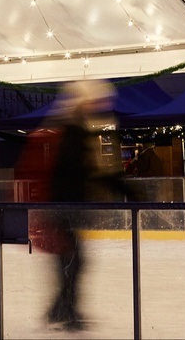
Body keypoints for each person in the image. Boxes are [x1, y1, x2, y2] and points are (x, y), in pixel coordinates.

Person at [42, 80, 133, 331]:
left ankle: (59, 310)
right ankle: (65, 313)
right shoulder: (73, 132)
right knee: (73, 262)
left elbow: (93, 171)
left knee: (72, 262)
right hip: (63, 211)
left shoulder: (72, 128)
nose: (101, 107)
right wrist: (127, 191)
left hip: (64, 210)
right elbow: (88, 171)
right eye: (97, 101)